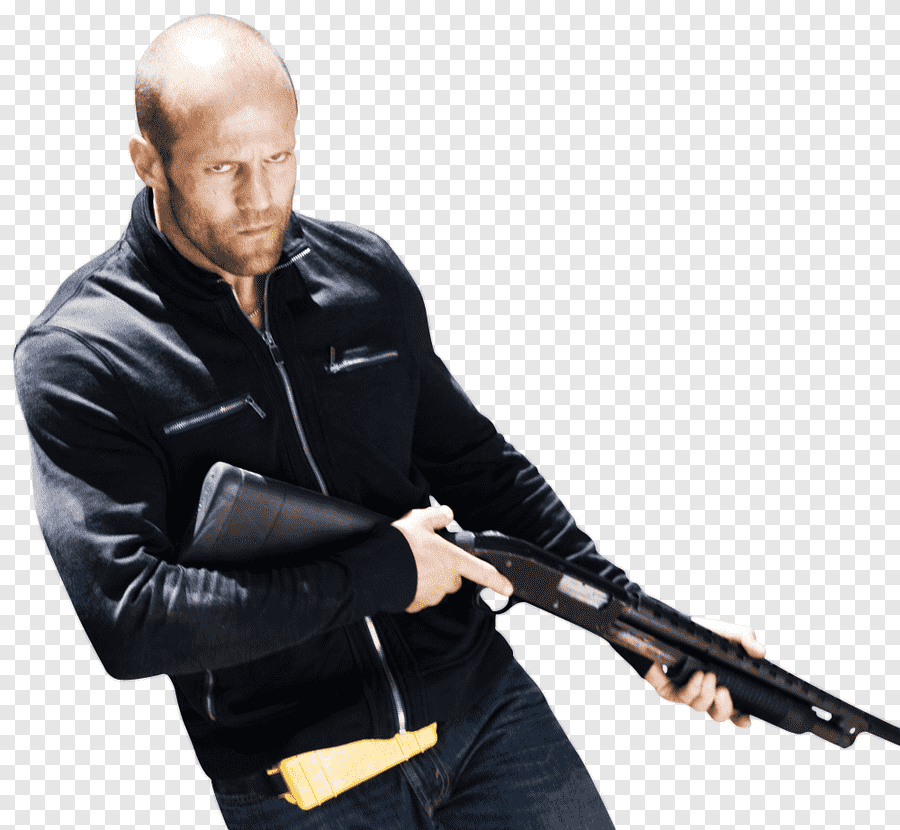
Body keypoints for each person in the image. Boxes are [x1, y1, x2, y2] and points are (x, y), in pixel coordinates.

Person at [14, 14, 766, 830]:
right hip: (302, 781)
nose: (260, 198)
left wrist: (646, 632)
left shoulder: (363, 278)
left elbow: (484, 474)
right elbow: (131, 618)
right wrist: (386, 574)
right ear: (148, 162)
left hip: (489, 723)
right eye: (223, 168)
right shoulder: (82, 355)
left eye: (279, 158)